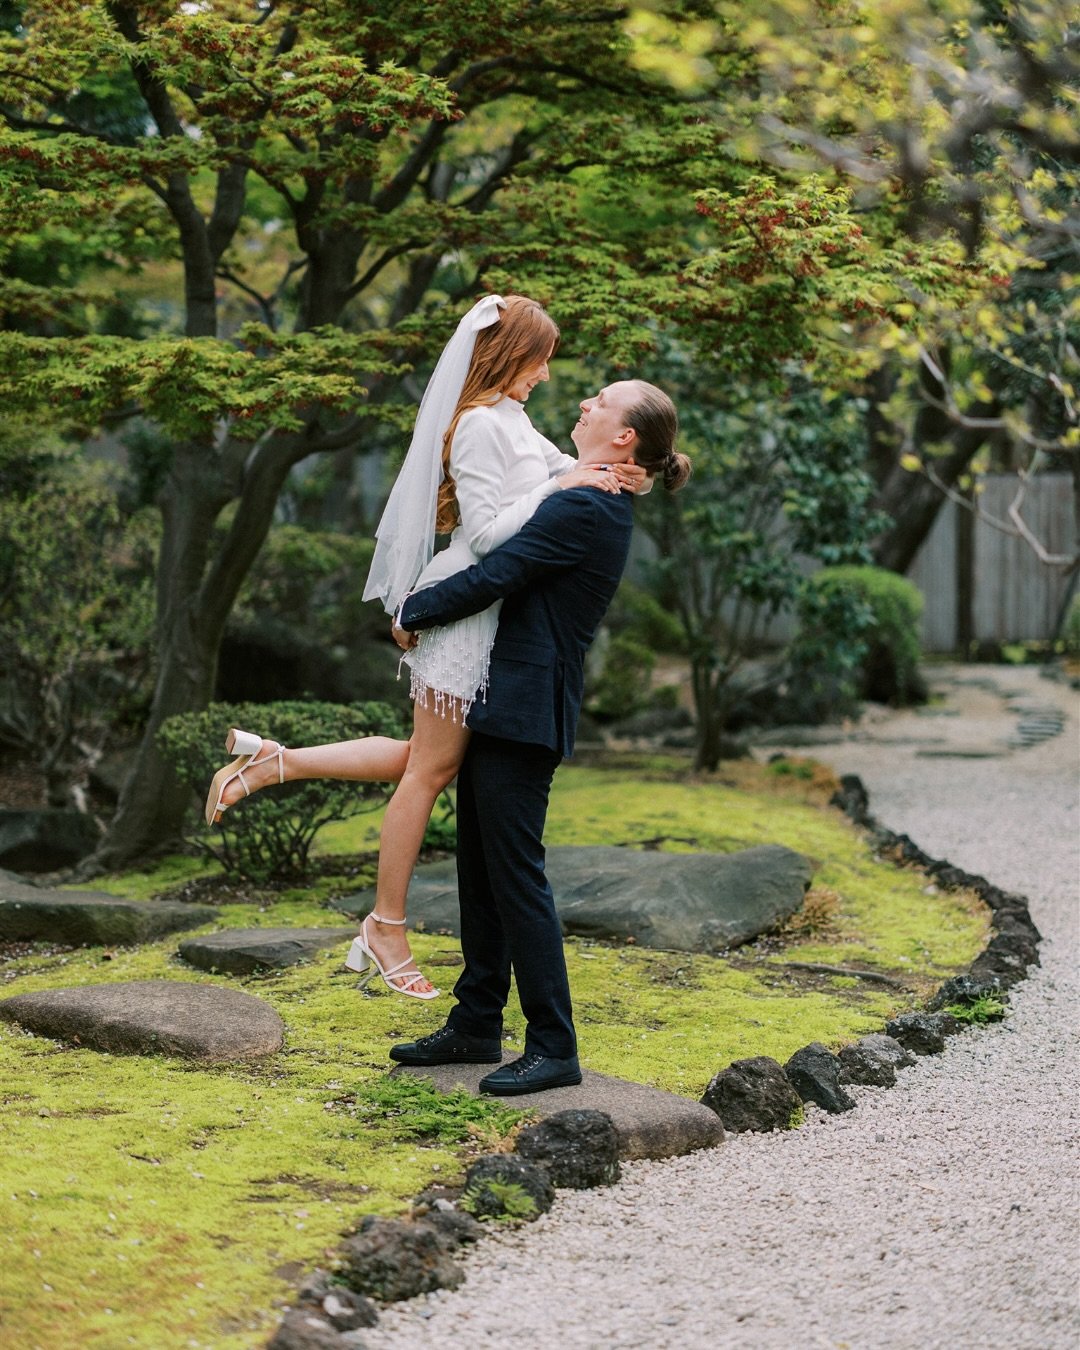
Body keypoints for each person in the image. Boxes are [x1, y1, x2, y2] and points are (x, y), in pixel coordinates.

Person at [203, 295, 641, 999]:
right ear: (511, 354)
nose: (549, 375)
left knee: (424, 758)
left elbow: (568, 470)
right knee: (430, 772)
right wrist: (565, 483)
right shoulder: (473, 426)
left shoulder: (515, 419)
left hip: (490, 611)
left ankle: (273, 763)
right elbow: (491, 533)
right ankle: (385, 925)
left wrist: (617, 471)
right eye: (542, 359)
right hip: (465, 604)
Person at [389, 378, 690, 1094]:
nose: (585, 402)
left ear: (624, 437)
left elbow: (500, 572)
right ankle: (475, 1024)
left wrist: (412, 610)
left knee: (517, 876)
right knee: (480, 868)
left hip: (527, 707)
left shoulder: (588, 505)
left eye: (601, 401)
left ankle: (554, 1044)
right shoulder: (583, 486)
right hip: (507, 700)